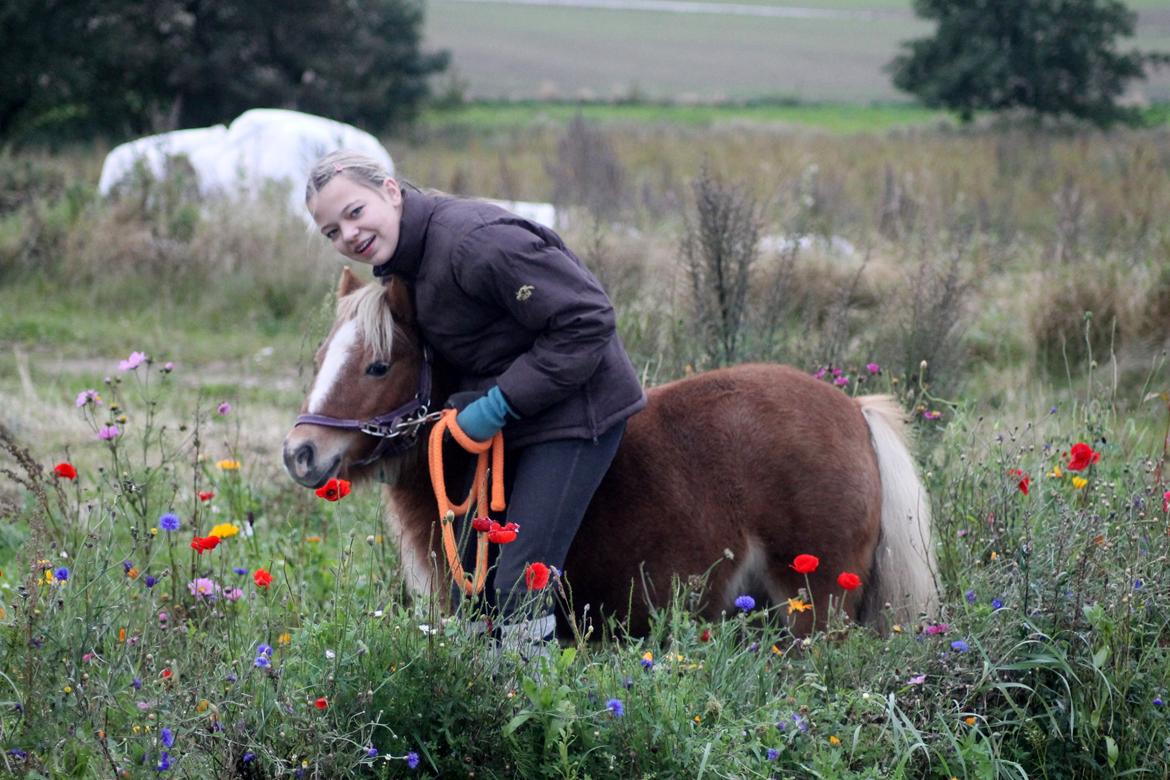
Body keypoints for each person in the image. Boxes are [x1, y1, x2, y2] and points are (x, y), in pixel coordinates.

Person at [305, 150, 646, 652]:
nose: (349, 235)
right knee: (468, 581)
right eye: (332, 231)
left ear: (391, 192)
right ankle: (483, 695)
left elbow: (586, 319)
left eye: (355, 212)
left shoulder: (474, 242)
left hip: (575, 411)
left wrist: (498, 405)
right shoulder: (402, 264)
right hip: (514, 419)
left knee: (519, 586)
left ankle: (533, 695)